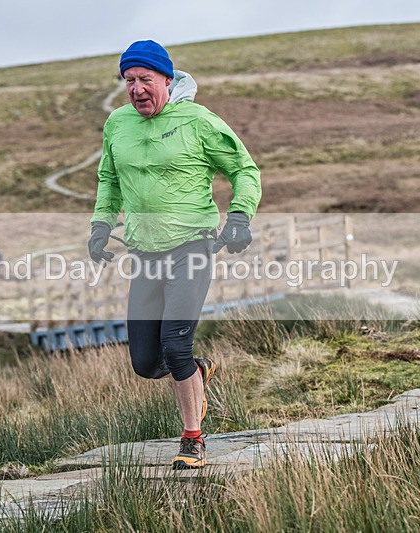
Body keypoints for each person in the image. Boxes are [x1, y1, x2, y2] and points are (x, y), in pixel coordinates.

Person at [88, 40, 261, 469]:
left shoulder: (198, 121)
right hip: (145, 252)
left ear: (168, 78)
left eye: (145, 79)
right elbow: (108, 179)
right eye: (129, 80)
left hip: (192, 246)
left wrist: (239, 217)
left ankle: (193, 439)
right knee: (146, 363)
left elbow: (244, 170)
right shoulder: (118, 124)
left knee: (175, 342)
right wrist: (101, 224)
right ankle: (197, 374)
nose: (137, 88)